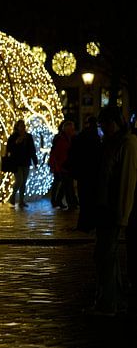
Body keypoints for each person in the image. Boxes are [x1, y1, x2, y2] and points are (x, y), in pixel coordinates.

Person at [88, 105, 137, 316]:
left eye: (105, 124)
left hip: (113, 210)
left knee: (106, 254)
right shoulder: (111, 142)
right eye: (102, 125)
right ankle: (112, 299)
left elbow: (127, 181)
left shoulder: (127, 144)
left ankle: (109, 302)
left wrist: (122, 215)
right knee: (105, 254)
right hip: (105, 209)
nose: (104, 129)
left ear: (115, 123)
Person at [70, 115, 102, 232]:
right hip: (93, 173)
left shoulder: (82, 136)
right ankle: (91, 223)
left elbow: (74, 154)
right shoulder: (97, 137)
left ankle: (84, 224)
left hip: (83, 174)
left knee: (84, 200)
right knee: (91, 200)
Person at [5, 119, 38, 208]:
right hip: (16, 162)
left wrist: (35, 161)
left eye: (24, 126)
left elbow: (32, 150)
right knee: (19, 180)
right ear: (17, 127)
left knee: (24, 182)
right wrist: (16, 143)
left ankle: (21, 201)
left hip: (26, 162)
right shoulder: (13, 137)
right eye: (21, 126)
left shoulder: (28, 136)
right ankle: (12, 196)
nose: (23, 127)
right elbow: (9, 149)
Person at [48, 120, 77, 210]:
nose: (73, 131)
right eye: (72, 129)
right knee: (66, 185)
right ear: (67, 130)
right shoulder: (61, 139)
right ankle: (69, 203)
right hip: (62, 166)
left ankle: (60, 200)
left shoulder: (70, 139)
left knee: (66, 185)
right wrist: (56, 166)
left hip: (67, 165)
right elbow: (56, 154)